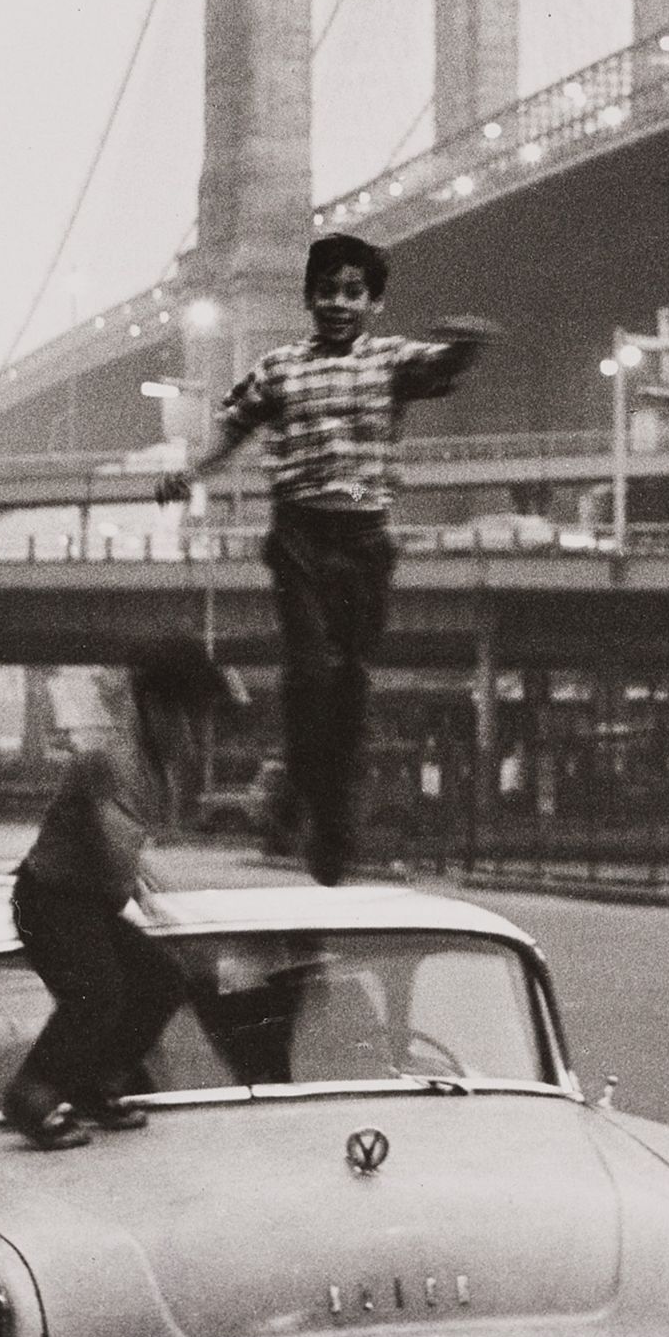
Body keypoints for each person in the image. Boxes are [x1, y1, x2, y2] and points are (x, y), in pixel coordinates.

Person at [155, 232, 497, 885]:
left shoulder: (391, 360)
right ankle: (304, 795)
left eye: (353, 292)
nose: (339, 303)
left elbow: (440, 368)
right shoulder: (280, 366)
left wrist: (464, 346)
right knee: (309, 669)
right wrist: (188, 471)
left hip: (365, 536)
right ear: (309, 297)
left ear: (372, 303)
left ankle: (329, 812)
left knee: (349, 680)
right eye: (327, 291)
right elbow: (232, 424)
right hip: (300, 533)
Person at [1, 639, 228, 1150]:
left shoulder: (151, 769)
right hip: (47, 902)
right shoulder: (111, 762)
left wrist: (165, 904)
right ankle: (30, 1097)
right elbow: (116, 850)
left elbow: (131, 858)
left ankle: (92, 1088)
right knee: (98, 993)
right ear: (154, 709)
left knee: (163, 980)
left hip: (87, 907)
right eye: (187, 719)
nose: (194, 736)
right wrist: (158, 901)